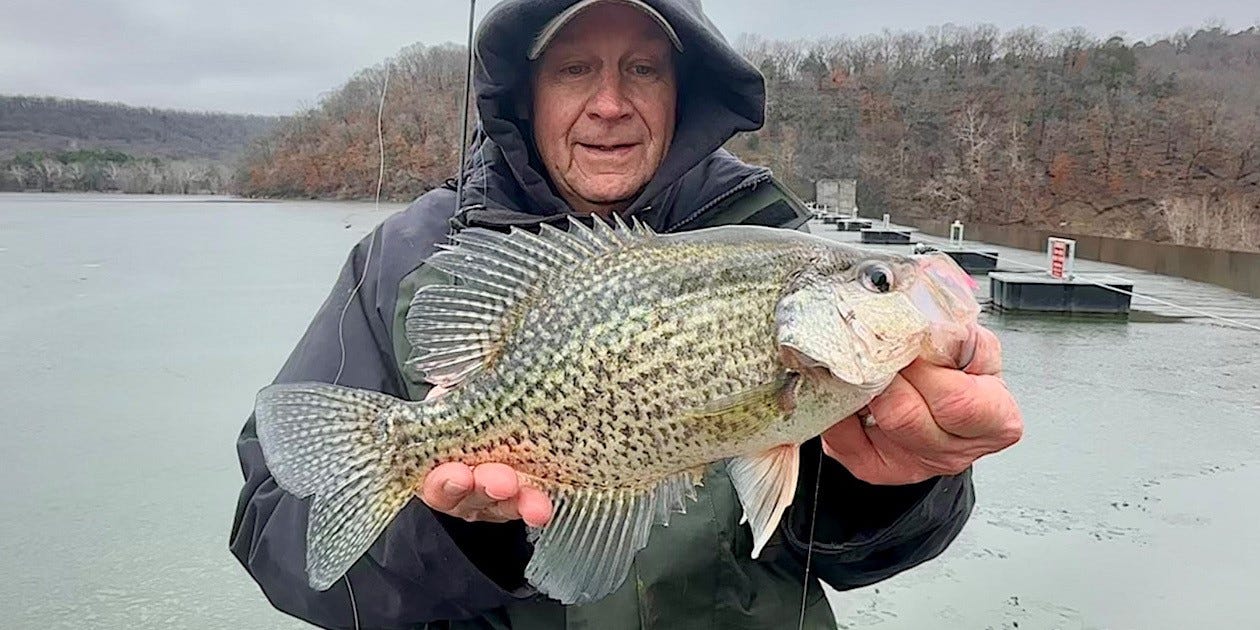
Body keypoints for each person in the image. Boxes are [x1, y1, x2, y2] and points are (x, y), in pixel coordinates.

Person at [228, 1, 1024, 628]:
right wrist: (462, 530)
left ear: (681, 90)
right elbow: (279, 546)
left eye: (642, 68)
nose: (610, 103)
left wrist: (889, 484)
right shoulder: (408, 261)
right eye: (576, 68)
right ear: (527, 91)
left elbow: (860, 551)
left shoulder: (775, 245)